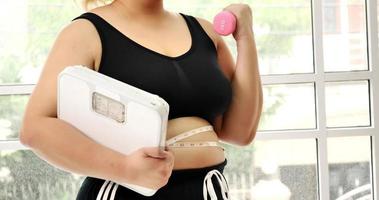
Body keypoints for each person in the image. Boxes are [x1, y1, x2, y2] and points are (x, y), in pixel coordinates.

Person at [19, 0, 263, 199]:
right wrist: (124, 168)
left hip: (207, 190)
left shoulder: (206, 32)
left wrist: (246, 37)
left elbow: (240, 132)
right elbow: (35, 129)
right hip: (125, 194)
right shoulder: (85, 33)